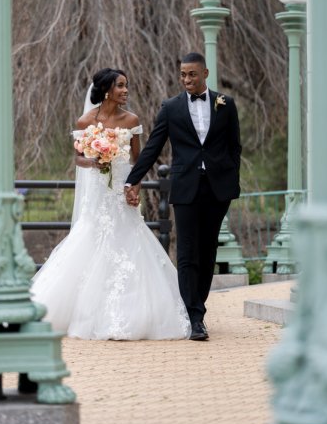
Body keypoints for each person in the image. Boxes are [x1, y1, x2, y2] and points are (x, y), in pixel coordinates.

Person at [31, 68, 191, 340]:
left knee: (130, 238)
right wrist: (94, 160)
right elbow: (79, 158)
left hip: (121, 186)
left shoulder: (132, 120)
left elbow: (139, 160)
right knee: (92, 237)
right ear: (107, 90)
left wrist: (134, 187)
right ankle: (81, 312)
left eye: (126, 85)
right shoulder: (85, 122)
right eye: (120, 86)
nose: (126, 90)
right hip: (98, 190)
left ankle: (135, 313)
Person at [124, 52, 241, 341]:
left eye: (192, 74)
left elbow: (234, 147)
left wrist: (230, 179)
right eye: (183, 75)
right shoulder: (170, 108)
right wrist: (133, 179)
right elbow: (152, 147)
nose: (187, 79)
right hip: (186, 186)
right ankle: (195, 317)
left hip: (218, 188)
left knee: (208, 250)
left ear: (205, 73)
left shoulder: (226, 105)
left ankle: (197, 305)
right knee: (187, 251)